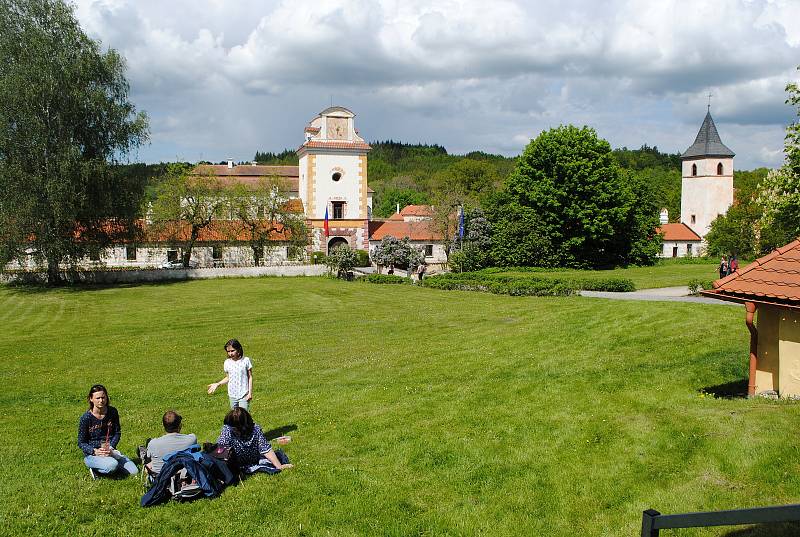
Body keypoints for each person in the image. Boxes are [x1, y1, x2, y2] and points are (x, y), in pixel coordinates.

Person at [78, 384, 138, 479]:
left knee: (134, 471)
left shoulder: (112, 412)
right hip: (92, 454)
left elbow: (117, 433)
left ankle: (108, 465)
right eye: (98, 398)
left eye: (103, 397)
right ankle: (95, 469)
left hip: (110, 450)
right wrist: (94, 451)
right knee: (112, 465)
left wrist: (111, 448)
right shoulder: (86, 418)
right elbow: (81, 442)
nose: (101, 400)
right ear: (91, 399)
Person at [216, 407, 293, 471]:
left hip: (253, 459)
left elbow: (266, 449)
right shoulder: (227, 429)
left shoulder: (255, 429)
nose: (233, 429)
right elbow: (220, 451)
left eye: (235, 428)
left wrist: (279, 466)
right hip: (236, 462)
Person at [145, 410, 198, 475]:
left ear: (163, 426)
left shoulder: (153, 444)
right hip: (185, 478)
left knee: (149, 464)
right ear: (180, 425)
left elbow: (149, 460)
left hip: (161, 481)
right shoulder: (191, 439)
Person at [208, 338, 253, 409]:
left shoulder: (246, 360)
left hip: (244, 394)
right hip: (232, 395)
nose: (230, 353)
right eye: (228, 351)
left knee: (244, 416)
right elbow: (228, 378)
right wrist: (218, 384)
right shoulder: (227, 362)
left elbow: (250, 377)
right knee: (234, 417)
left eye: (232, 351)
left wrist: (250, 393)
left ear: (238, 349)